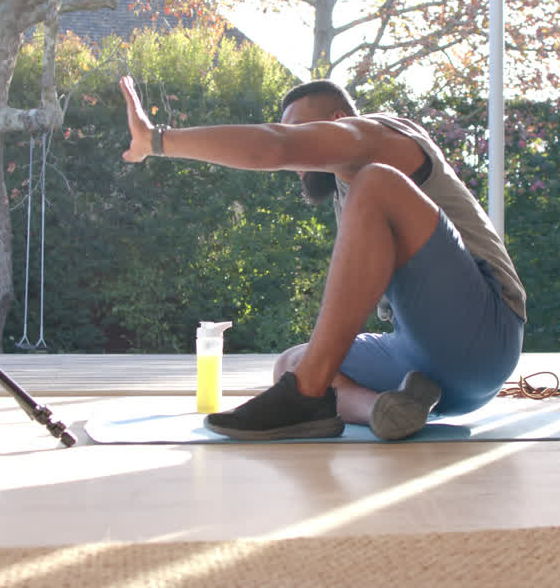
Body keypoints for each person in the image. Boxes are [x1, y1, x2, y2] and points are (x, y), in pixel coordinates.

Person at [119, 76, 526, 440]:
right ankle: (388, 409)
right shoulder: (345, 189)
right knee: (293, 363)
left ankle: (304, 396)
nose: (298, 154)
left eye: (302, 129)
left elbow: (275, 146)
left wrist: (155, 140)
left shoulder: (379, 138)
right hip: (436, 378)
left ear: (338, 119)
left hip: (488, 336)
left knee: (377, 181)